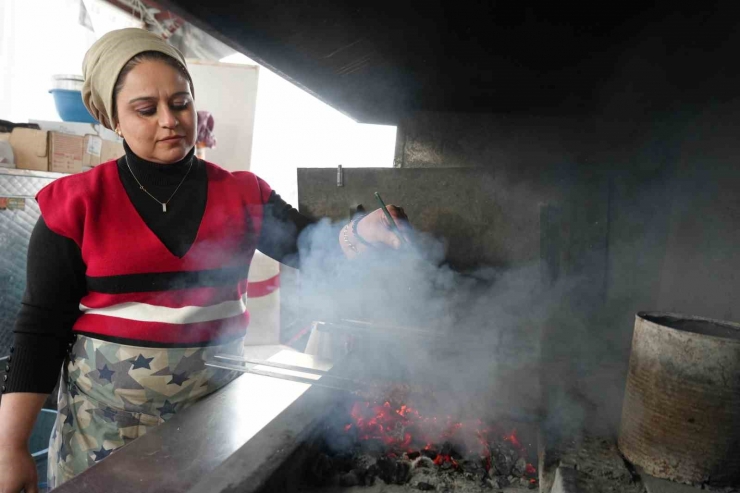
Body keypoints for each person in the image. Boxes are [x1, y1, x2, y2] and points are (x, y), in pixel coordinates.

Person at [0, 28, 408, 492]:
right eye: (145, 109)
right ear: (112, 117)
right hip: (101, 439)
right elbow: (39, 331)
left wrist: (361, 233)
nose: (169, 120)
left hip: (210, 429)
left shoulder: (241, 194)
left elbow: (314, 249)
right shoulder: (76, 204)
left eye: (181, 102)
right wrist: (10, 447)